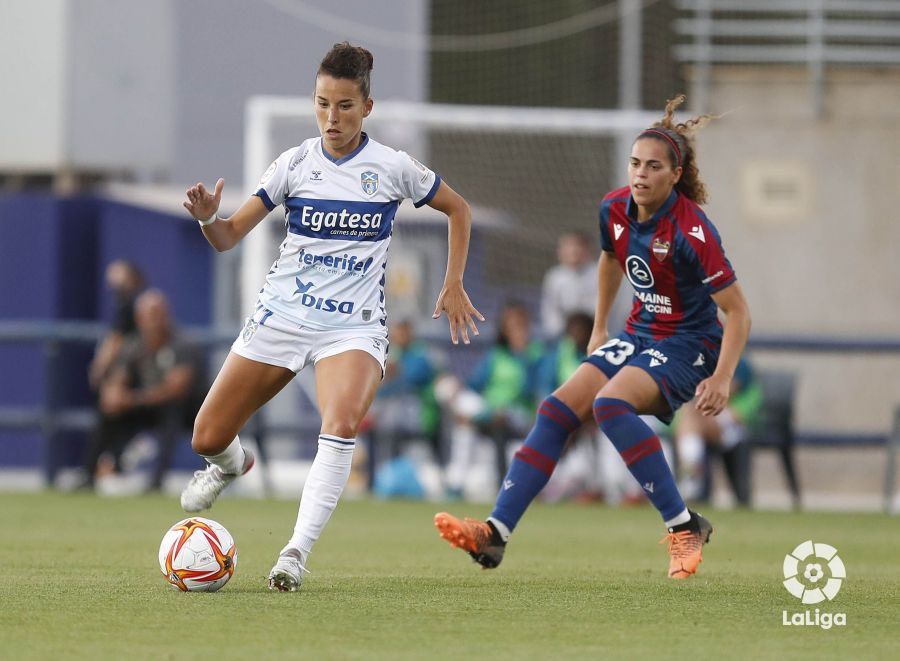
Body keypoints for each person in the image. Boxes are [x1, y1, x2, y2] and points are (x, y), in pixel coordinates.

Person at [180, 42, 482, 593]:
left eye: (344, 105)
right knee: (207, 434)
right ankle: (229, 465)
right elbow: (227, 238)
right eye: (322, 104)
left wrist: (453, 280)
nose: (331, 117)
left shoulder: (391, 168)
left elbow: (458, 209)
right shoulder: (294, 163)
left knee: (339, 425)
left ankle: (294, 554)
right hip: (283, 316)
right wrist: (207, 219)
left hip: (353, 328)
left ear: (367, 106)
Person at [435, 94, 751, 579]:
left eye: (652, 167)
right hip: (640, 333)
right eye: (634, 163)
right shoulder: (615, 208)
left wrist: (724, 376)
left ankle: (682, 525)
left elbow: (738, 311)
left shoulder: (693, 231)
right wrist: (601, 325)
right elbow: (611, 258)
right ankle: (495, 534)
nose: (640, 174)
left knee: (609, 405)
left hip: (691, 344)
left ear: (674, 173)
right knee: (556, 409)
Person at [80, 289, 202, 491]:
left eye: (158, 314)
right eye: (148, 315)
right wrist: (113, 395)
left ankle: (156, 482)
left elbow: (176, 390)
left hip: (188, 410)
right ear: (139, 319)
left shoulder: (182, 344)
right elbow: (119, 376)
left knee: (172, 412)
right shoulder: (133, 345)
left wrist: (131, 399)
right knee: (106, 413)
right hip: (144, 407)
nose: (153, 321)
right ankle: (88, 476)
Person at [438, 301, 543, 498]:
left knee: (470, 420)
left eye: (519, 326)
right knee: (459, 406)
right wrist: (459, 387)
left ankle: (477, 420)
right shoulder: (496, 355)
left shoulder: (535, 355)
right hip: (490, 410)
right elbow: (474, 385)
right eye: (511, 327)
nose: (516, 331)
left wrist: (523, 356)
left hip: (518, 413)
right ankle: (456, 482)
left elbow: (530, 392)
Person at [674, 356, 762, 506]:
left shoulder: (741, 366)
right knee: (692, 419)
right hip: (699, 423)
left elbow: (742, 412)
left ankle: (691, 478)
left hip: (731, 428)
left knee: (693, 419)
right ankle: (692, 478)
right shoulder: (696, 357)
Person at [88, 260, 145, 390]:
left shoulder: (130, 303)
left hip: (130, 368)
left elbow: (115, 339)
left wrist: (100, 367)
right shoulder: (129, 301)